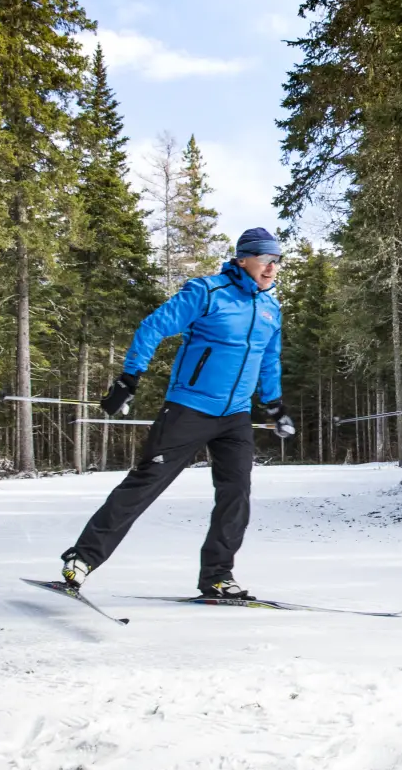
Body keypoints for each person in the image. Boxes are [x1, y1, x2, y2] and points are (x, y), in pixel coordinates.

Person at [57, 228, 295, 600]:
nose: (271, 269)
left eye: (277, 261)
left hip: (235, 416)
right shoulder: (207, 292)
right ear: (242, 259)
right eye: (265, 260)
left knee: (236, 494)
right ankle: (81, 560)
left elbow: (269, 358)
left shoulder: (270, 308)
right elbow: (153, 326)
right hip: (189, 409)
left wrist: (275, 404)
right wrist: (129, 378)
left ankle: (218, 576)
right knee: (144, 485)